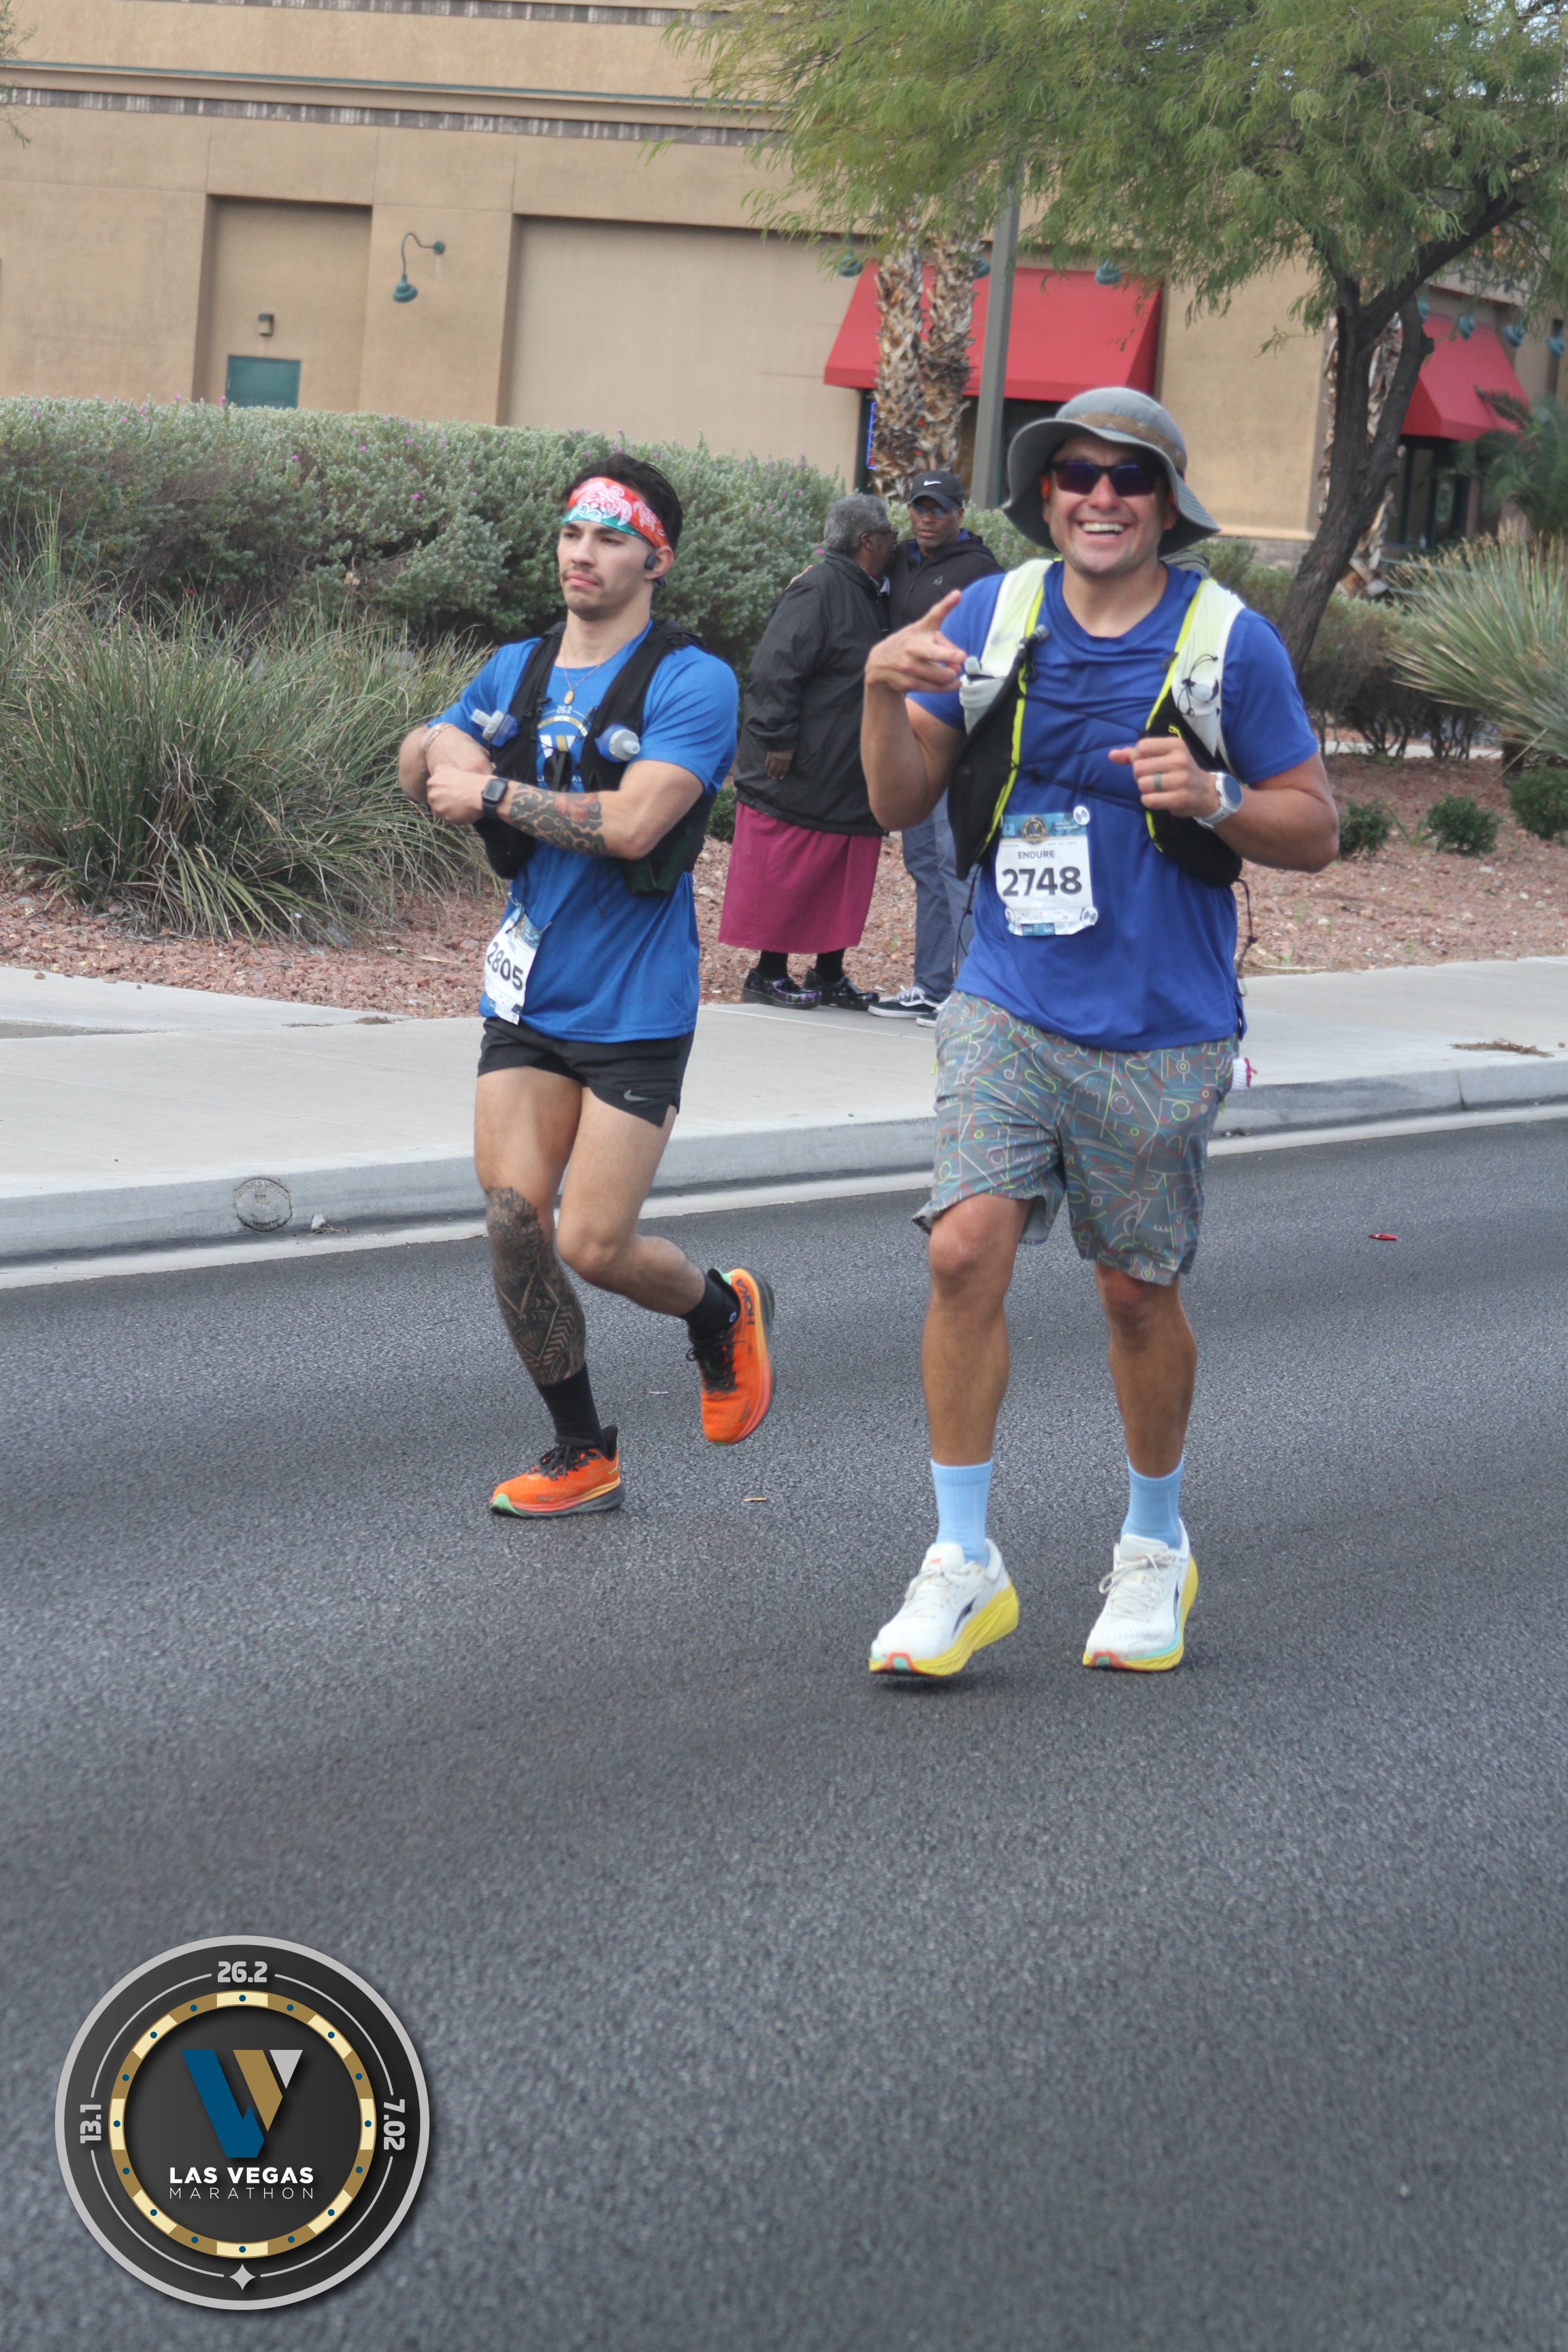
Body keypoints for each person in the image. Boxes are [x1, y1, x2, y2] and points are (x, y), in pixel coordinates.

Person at [859, 387, 1337, 1678]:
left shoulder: (1227, 643)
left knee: (1133, 1292)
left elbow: (1313, 826)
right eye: (1076, 473)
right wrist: (876, 689)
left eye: (1129, 477)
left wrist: (1218, 794)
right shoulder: (994, 615)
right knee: (962, 1250)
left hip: (1159, 1023)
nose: (1101, 496)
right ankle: (961, 1561)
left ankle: (1154, 1543)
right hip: (1007, 999)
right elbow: (898, 797)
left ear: (1168, 505)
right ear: (1046, 496)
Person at [397, 453, 775, 1518]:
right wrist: (435, 747)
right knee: (515, 1222)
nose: (583, 553)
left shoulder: (690, 681)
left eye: (610, 538)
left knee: (592, 1243)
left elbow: (636, 823)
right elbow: (430, 758)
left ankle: (717, 1313)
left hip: (635, 1002)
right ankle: (581, 1452)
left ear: (657, 559)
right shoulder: (516, 669)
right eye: (573, 532)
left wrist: (488, 790)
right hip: (527, 997)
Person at [719, 493, 896, 1011]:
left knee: (843, 874)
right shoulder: (820, 589)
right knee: (788, 872)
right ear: (867, 541)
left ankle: (828, 972)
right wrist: (777, 738)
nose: (895, 543)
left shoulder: (867, 591)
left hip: (847, 768)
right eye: (889, 535)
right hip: (804, 766)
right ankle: (768, 972)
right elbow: (775, 667)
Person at [873, 470, 1002, 1024]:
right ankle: (931, 985)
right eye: (920, 508)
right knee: (923, 860)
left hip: (955, 732)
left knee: (956, 862)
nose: (928, 518)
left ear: (960, 515)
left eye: (939, 509)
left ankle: (971, 990)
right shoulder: (901, 558)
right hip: (906, 730)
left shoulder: (980, 572)